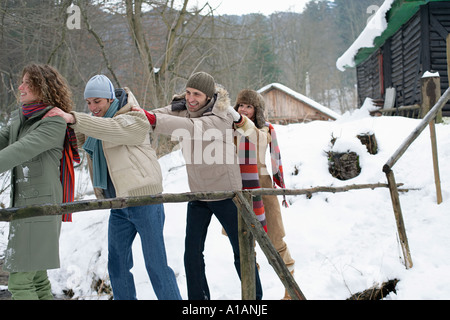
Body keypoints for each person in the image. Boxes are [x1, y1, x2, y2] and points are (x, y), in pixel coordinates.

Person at [44, 75, 181, 300]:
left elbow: (110, 129)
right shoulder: (95, 122)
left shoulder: (134, 118)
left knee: (156, 265)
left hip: (145, 200)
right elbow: (71, 138)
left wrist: (73, 117)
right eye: (88, 103)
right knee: (117, 266)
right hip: (117, 205)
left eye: (97, 101)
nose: (92, 107)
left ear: (109, 99)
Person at [137, 72, 263, 300]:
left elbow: (188, 126)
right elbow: (159, 114)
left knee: (241, 252)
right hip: (199, 193)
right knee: (192, 255)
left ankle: (255, 299)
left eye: (196, 94)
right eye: (188, 92)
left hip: (227, 194)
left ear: (208, 96)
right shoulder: (183, 106)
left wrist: (153, 120)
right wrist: (136, 114)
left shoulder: (221, 115)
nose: (191, 98)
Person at [0, 63, 77, 300]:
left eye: (27, 83)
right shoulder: (20, 117)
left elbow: (20, 151)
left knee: (21, 282)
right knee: (37, 279)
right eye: (21, 81)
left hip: (40, 207)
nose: (20, 87)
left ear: (42, 88)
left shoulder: (53, 121)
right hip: (27, 207)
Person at [230, 89, 295, 300]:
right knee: (245, 243)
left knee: (275, 239)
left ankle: (290, 290)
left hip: (262, 187)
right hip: (238, 187)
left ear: (256, 110)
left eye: (248, 106)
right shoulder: (228, 129)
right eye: (240, 105)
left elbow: (256, 139)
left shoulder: (264, 131)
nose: (243, 110)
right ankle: (252, 293)